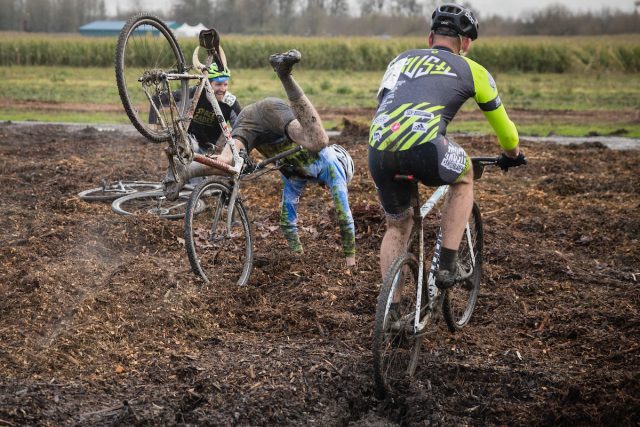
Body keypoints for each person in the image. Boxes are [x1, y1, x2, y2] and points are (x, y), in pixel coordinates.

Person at [368, 3, 526, 289]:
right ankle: (446, 266)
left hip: (379, 147)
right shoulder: (472, 70)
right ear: (465, 43)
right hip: (425, 146)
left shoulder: (400, 60)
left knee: (397, 225)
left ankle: (392, 312)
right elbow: (509, 136)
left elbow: (384, 105)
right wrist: (511, 155)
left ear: (430, 39)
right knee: (464, 176)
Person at [163, 50, 357, 267]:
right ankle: (284, 74)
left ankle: (184, 170)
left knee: (229, 163)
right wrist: (351, 263)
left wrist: (297, 256)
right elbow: (345, 218)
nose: (323, 188)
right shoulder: (333, 167)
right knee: (319, 140)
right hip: (270, 113)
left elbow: (288, 221)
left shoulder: (295, 176)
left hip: (250, 120)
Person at [149, 61, 241, 154]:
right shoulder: (195, 93)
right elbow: (157, 99)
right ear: (207, 84)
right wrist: (152, 123)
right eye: (218, 84)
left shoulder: (230, 102)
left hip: (208, 151)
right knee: (191, 147)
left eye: (225, 84)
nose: (223, 89)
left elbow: (241, 128)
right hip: (187, 143)